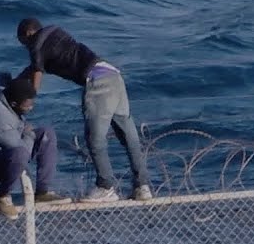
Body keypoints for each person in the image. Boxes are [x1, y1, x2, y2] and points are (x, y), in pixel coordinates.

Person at [16, 17, 152, 202]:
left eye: (23, 43)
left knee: (95, 138)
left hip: (98, 83)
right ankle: (142, 186)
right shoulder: (55, 33)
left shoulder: (36, 44)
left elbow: (36, 74)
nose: (26, 48)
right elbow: (33, 68)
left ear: (28, 34)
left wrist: (28, 101)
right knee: (128, 136)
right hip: (113, 76)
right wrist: (14, 83)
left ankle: (105, 187)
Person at [0, 71, 72, 220]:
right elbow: (24, 152)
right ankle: (2, 196)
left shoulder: (1, 91)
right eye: (27, 106)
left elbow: (4, 76)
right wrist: (28, 133)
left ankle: (42, 193)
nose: (31, 108)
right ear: (14, 104)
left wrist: (37, 67)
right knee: (20, 154)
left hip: (5, 152)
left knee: (46, 133)